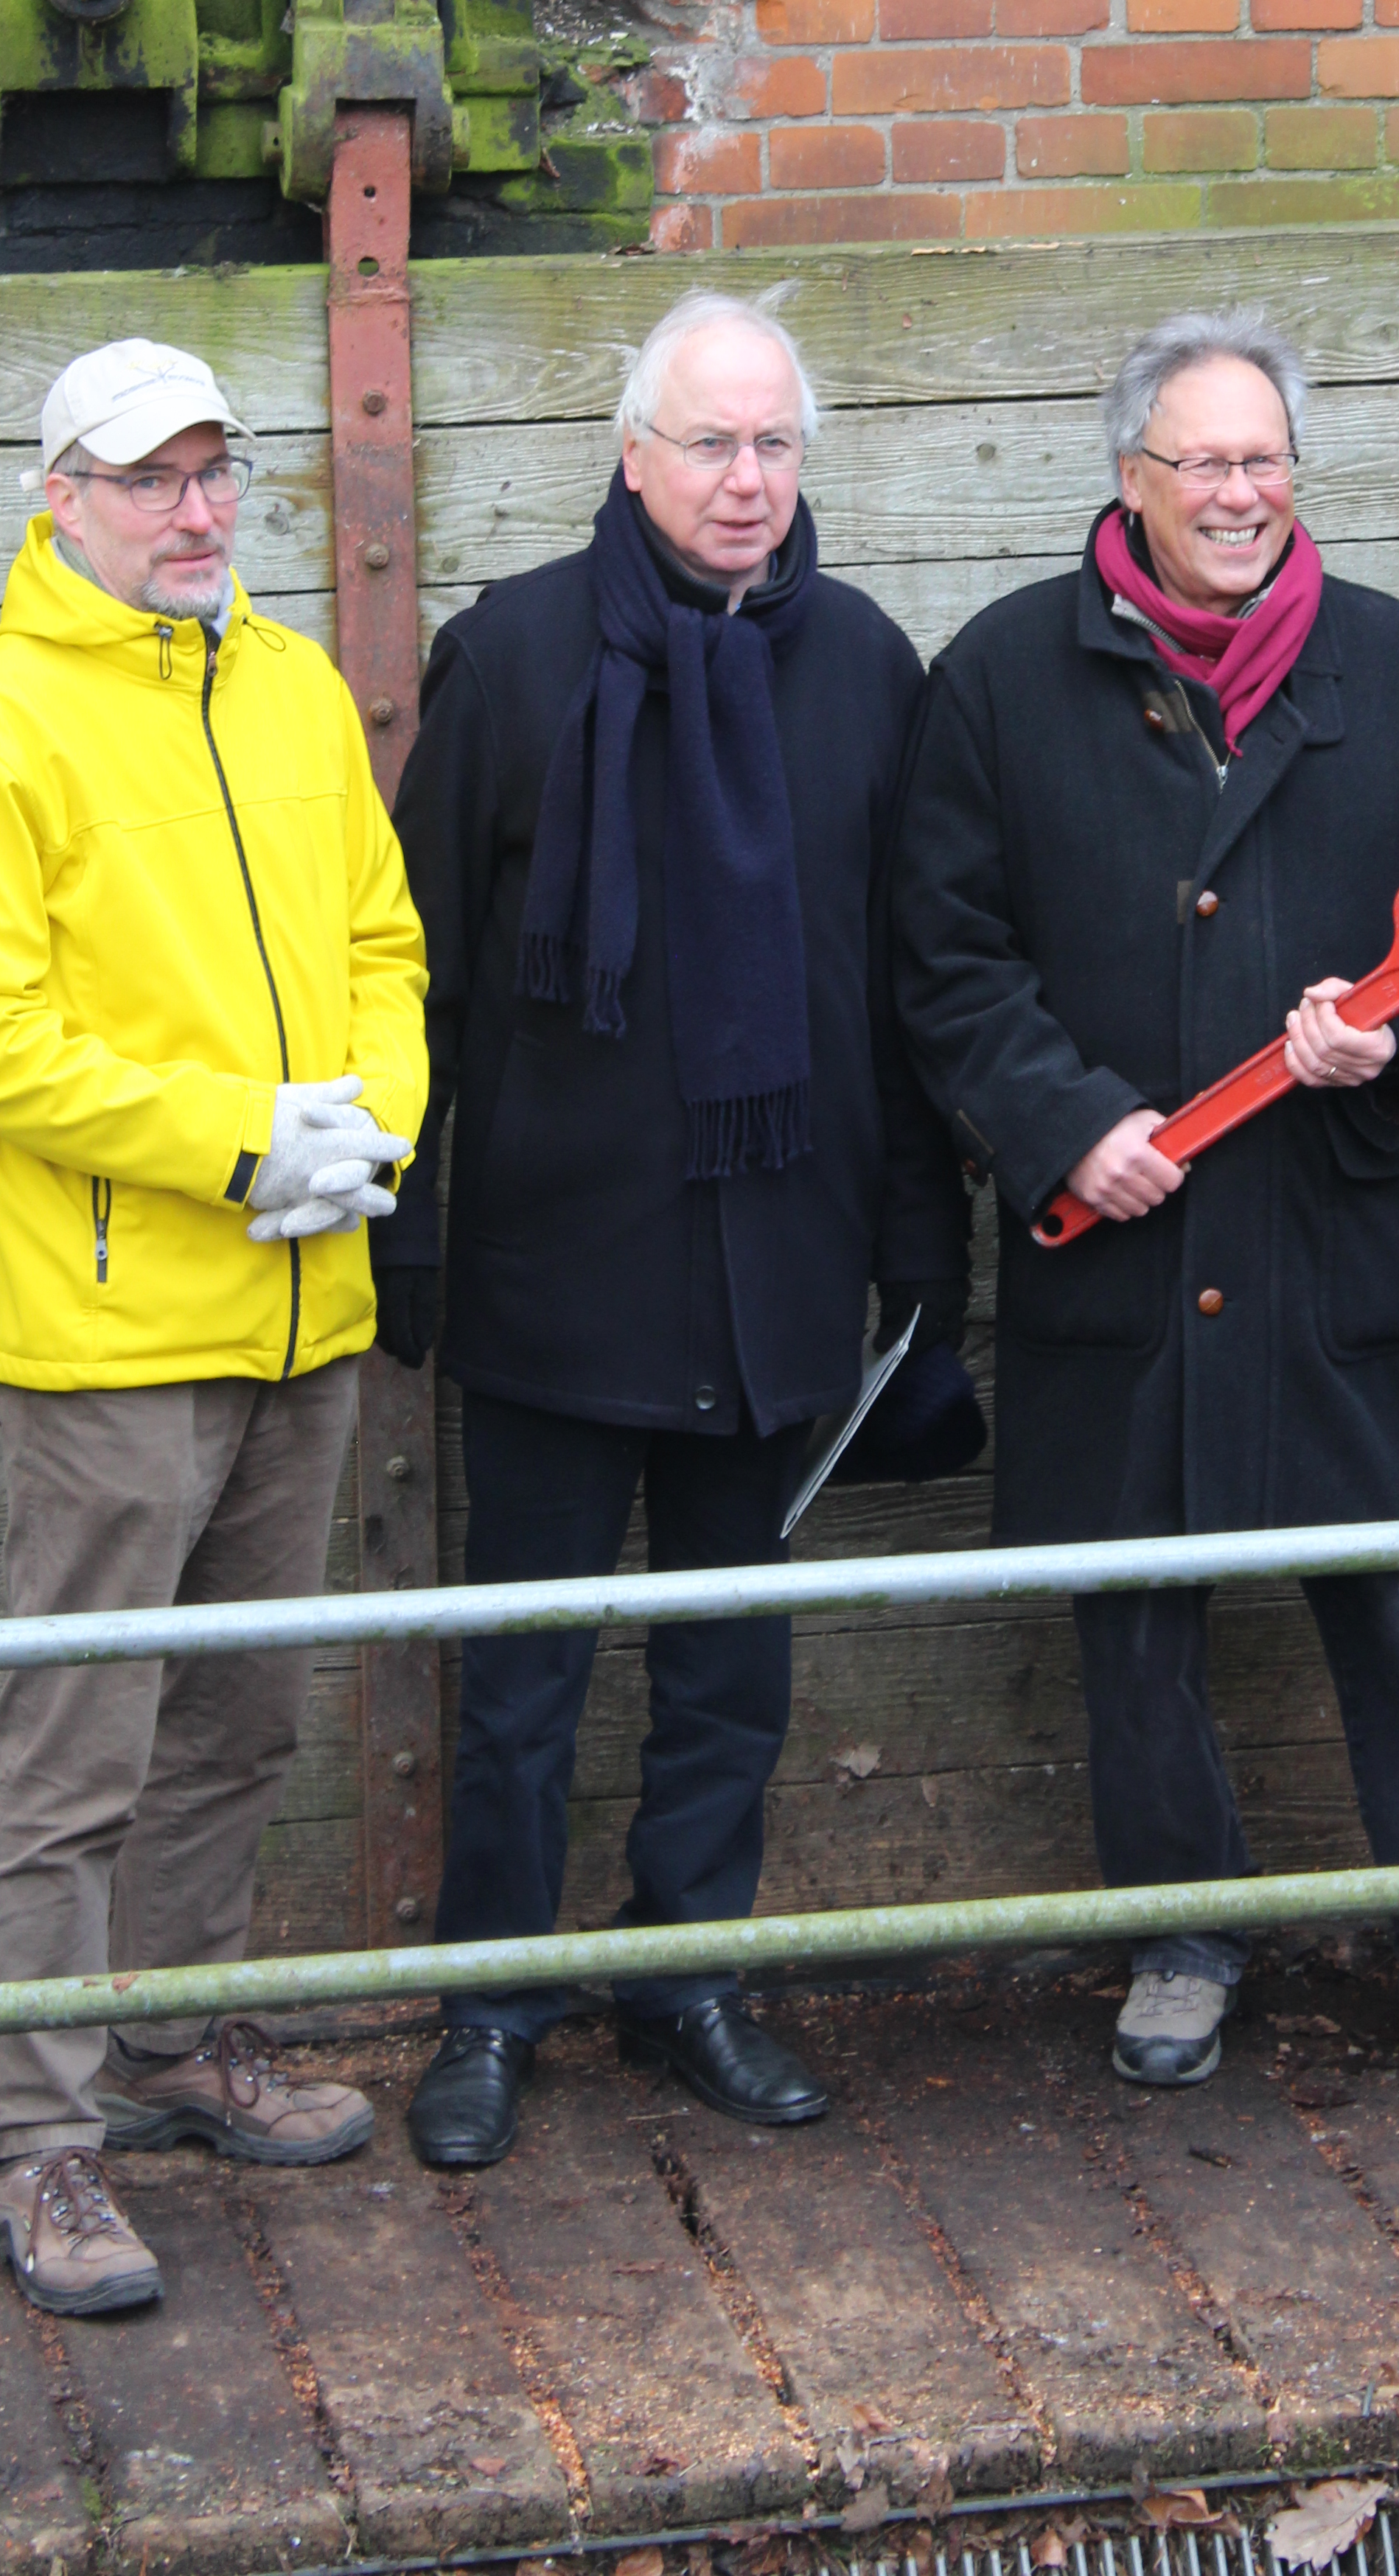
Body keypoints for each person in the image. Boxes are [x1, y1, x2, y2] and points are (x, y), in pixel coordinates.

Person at [892, 305, 1399, 2115]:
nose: (1239, 492)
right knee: (1134, 1622)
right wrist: (1062, 1127)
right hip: (1119, 1246)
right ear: (1129, 477)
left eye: (1265, 458)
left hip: (1333, 1236)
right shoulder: (998, 681)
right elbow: (944, 957)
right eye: (1202, 461)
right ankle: (1183, 1942)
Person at [376, 289, 970, 2171]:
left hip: (776, 1264)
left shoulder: (867, 665)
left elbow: (898, 991)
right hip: (559, 1264)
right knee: (526, 1675)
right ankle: (488, 2006)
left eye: (775, 444)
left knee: (731, 1662)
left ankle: (690, 1973)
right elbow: (425, 978)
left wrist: (917, 1253)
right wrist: (403, 1222)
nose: (746, 481)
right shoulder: (521, 655)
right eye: (710, 443)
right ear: (632, 456)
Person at [0, 337, 427, 2317]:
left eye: (220, 472)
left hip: (309, 1307)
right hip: (118, 1330)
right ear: (58, 497)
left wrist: (370, 1119)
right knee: (76, 1749)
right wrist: (236, 1144)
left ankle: (177, 2041)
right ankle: (42, 2149)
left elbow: (382, 942)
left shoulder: (296, 686)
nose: (199, 512)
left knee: (240, 1719)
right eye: (152, 479)